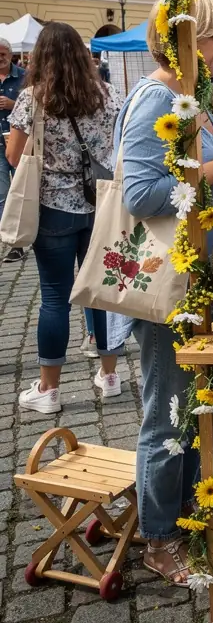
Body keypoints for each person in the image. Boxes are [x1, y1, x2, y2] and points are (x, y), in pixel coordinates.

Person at [112, 0, 213, 584]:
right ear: (185, 41)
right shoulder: (156, 99)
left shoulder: (185, 98)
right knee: (167, 408)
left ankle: (192, 514)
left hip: (194, 275)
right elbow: (140, 195)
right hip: (169, 283)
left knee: (188, 403)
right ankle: (158, 537)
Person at [6, 23, 123, 413]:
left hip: (53, 208)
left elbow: (13, 157)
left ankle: (49, 390)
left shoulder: (32, 99)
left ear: (41, 56)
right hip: (101, 205)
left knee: (55, 297)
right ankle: (110, 377)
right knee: (102, 291)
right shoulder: (107, 95)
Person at [0, 36, 27, 262]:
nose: (0, 58)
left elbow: (35, 102)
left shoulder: (24, 77)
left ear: (10, 54)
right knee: (1, 195)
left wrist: (12, 104)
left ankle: (22, 238)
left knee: (21, 191)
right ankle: (12, 242)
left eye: (3, 54)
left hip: (19, 140)